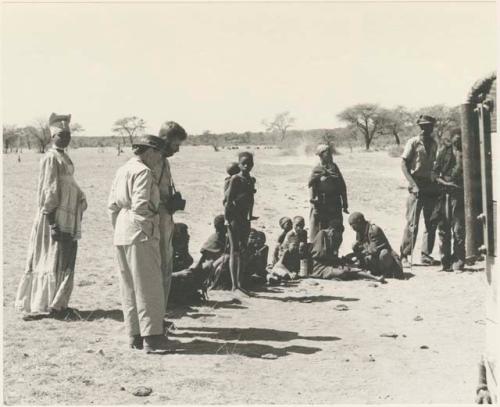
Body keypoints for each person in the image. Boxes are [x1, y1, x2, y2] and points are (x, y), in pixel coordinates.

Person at [15, 113, 87, 319]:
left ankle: (59, 304)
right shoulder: (50, 158)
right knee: (51, 258)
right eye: (61, 134)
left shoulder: (64, 156)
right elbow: (49, 191)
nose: (65, 137)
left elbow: (68, 184)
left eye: (68, 134)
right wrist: (52, 222)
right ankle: (46, 305)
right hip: (53, 218)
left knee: (64, 259)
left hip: (67, 217)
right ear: (52, 136)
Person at [108, 135, 167, 353]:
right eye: (158, 153)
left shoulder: (123, 169)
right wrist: (150, 226)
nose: (159, 158)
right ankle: (152, 338)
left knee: (129, 286)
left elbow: (112, 205)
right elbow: (142, 205)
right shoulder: (143, 172)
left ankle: (134, 335)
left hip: (122, 229)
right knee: (148, 285)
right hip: (140, 230)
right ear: (149, 151)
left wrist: (120, 228)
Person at [154, 121, 188, 309]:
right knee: (156, 268)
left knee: (166, 268)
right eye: (175, 145)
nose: (177, 150)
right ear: (165, 140)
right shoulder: (152, 162)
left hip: (165, 220)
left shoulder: (164, 161)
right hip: (154, 223)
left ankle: (161, 312)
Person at [400, 114, 440, 267]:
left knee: (431, 222)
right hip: (416, 185)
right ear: (420, 127)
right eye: (423, 126)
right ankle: (404, 255)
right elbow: (403, 165)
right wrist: (413, 184)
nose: (426, 128)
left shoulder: (434, 144)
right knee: (412, 223)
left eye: (429, 126)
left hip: (430, 186)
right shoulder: (413, 142)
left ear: (432, 127)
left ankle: (426, 255)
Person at [224, 151, 257, 295]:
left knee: (243, 250)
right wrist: (226, 219)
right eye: (244, 163)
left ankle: (240, 283)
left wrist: (250, 215)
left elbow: (251, 200)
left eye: (249, 163)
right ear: (239, 164)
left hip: (244, 219)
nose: (247, 166)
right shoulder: (235, 179)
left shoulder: (250, 179)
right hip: (234, 219)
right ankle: (234, 285)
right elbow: (228, 201)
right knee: (234, 251)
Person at [309, 222, 385, 283]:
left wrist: (342, 260)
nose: (337, 237)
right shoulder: (322, 234)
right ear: (332, 230)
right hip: (319, 268)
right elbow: (317, 255)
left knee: (351, 268)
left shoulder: (333, 238)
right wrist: (337, 260)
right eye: (336, 234)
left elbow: (333, 255)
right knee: (342, 272)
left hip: (330, 264)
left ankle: (375, 278)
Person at [433, 132, 465, 271]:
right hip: (444, 194)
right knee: (443, 228)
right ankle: (445, 261)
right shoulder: (444, 152)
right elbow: (434, 174)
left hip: (459, 195)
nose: (457, 142)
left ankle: (458, 260)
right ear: (451, 140)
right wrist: (446, 184)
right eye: (455, 139)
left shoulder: (467, 152)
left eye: (460, 140)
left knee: (458, 229)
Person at [309, 144, 349, 244]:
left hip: (335, 204)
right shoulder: (317, 169)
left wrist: (345, 203)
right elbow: (311, 186)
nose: (331, 155)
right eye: (328, 153)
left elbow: (342, 186)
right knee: (319, 231)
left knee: (336, 230)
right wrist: (314, 203)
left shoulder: (334, 168)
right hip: (321, 205)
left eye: (331, 153)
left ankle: (333, 254)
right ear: (321, 155)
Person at [348, 212, 404, 279]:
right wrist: (353, 254)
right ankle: (368, 268)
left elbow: (373, 250)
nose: (353, 228)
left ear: (359, 222)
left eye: (353, 225)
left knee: (384, 253)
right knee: (355, 245)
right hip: (374, 258)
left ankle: (388, 272)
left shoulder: (374, 230)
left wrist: (356, 256)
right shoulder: (359, 231)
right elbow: (360, 246)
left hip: (384, 258)